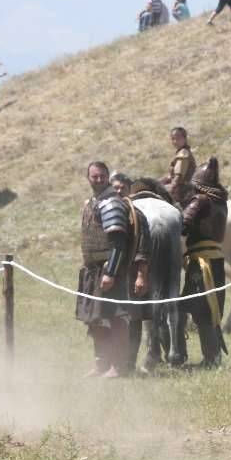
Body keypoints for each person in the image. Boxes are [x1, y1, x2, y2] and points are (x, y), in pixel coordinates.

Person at [76, 161, 150, 378]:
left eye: (102, 176)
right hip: (92, 269)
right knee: (94, 318)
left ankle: (118, 366)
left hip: (108, 269)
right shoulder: (93, 202)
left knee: (116, 319)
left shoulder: (111, 203)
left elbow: (119, 242)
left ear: (107, 177)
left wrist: (111, 273)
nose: (98, 179)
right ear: (88, 177)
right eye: (94, 176)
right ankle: (101, 363)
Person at [179, 158, 230, 367]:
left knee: (201, 311)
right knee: (210, 309)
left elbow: (183, 225)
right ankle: (211, 355)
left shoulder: (200, 200)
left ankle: (210, 357)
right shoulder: (221, 201)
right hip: (215, 260)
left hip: (202, 262)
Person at [161, 126, 196, 207]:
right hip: (179, 186)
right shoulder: (180, 152)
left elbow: (178, 177)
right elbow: (171, 176)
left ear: (185, 138)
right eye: (173, 139)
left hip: (183, 189)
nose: (175, 141)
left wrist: (171, 189)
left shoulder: (183, 154)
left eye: (178, 138)